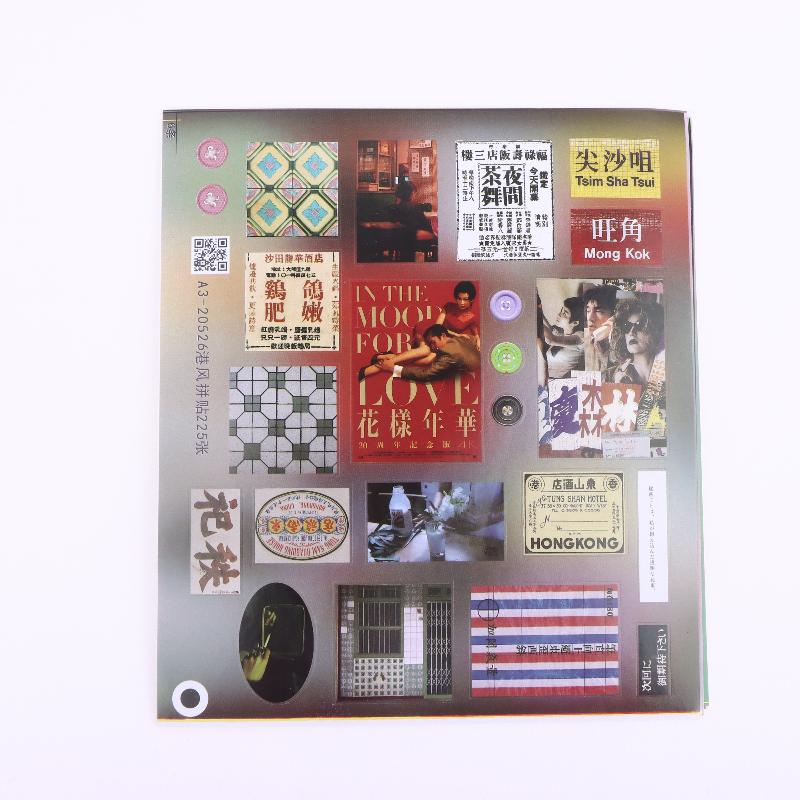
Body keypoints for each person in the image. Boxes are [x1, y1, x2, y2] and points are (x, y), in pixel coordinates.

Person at [358, 281, 479, 380]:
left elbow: (476, 334)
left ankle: (387, 357)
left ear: (471, 300)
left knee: (429, 359)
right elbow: (437, 326)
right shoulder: (449, 306)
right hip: (431, 330)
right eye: (459, 298)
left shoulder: (472, 317)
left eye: (465, 299)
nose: (461, 302)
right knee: (425, 350)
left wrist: (477, 340)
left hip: (441, 339)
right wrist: (457, 335)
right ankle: (376, 367)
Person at [378, 324, 480, 382]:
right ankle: (392, 357)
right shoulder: (463, 338)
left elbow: (425, 374)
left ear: (443, 336)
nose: (432, 347)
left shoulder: (447, 354)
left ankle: (392, 358)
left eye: (433, 342)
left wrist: (394, 369)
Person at [606, 298, 665, 387]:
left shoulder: (668, 372)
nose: (631, 332)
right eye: (627, 326)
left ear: (654, 331)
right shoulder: (610, 376)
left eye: (639, 325)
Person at [541, 296, 584, 378]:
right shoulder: (562, 333)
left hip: (561, 382)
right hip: (547, 378)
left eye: (565, 313)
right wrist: (537, 310)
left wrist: (535, 318)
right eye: (561, 311)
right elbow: (550, 329)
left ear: (575, 323)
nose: (559, 315)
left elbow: (551, 340)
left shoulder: (580, 337)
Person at [581, 285, 618, 372]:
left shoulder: (625, 344)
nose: (590, 318)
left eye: (598, 311)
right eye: (588, 311)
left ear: (614, 315)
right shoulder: (585, 336)